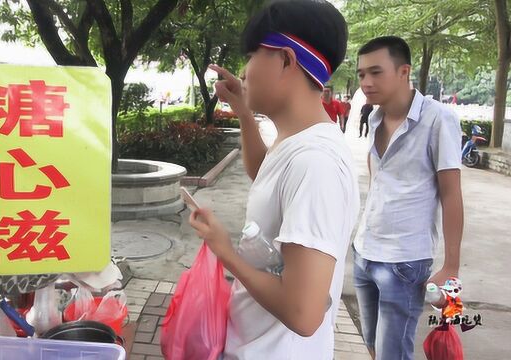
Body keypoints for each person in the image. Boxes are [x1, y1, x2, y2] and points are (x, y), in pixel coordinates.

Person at [188, 1, 359, 359]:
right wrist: (245, 114)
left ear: (285, 59)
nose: (244, 71)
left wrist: (226, 252)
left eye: (252, 54)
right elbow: (264, 173)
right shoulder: (298, 140)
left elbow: (303, 313)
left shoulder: (315, 163)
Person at [353, 36, 464, 360]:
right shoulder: (374, 118)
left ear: (404, 71)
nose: (366, 82)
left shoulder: (437, 119)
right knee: (372, 345)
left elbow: (451, 193)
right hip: (364, 252)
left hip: (404, 263)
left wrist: (452, 266)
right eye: (361, 74)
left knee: (393, 353)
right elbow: (379, 179)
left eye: (376, 72)